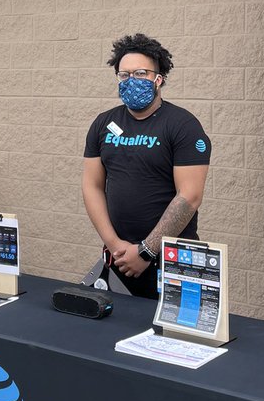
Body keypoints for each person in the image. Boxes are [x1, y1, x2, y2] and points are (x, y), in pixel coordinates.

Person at [81, 33, 211, 299]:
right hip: (119, 261)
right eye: (124, 75)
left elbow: (190, 197)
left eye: (141, 73)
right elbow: (91, 186)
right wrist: (115, 245)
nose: (132, 81)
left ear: (158, 79)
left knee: (174, 337)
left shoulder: (183, 125)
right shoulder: (103, 124)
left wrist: (146, 251)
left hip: (173, 260)